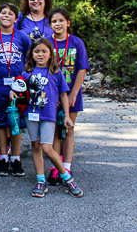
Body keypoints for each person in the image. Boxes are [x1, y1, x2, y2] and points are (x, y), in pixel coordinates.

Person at [21, 38, 84, 198]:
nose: (40, 54)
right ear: (32, 54)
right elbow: (20, 91)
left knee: (48, 148)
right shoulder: (27, 72)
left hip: (49, 116)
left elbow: (63, 94)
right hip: (31, 115)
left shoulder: (56, 72)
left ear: (50, 54)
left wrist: (67, 116)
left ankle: (67, 177)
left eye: (44, 51)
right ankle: (41, 181)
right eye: (37, 51)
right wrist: (14, 93)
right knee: (36, 146)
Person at [0, 3, 32, 177]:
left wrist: (24, 79)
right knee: (0, 122)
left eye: (11, 13)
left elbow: (29, 59)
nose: (6, 15)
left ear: (16, 18)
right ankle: (3, 158)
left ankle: (16, 158)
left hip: (17, 86)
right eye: (3, 13)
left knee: (16, 122)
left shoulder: (22, 37)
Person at [47, 8, 89, 186]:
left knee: (68, 129)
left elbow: (82, 69)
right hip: (52, 94)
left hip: (72, 94)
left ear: (68, 23)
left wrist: (73, 93)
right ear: (50, 25)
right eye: (54, 21)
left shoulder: (77, 43)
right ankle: (56, 168)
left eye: (61, 21)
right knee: (55, 131)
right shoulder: (47, 42)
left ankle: (67, 165)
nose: (58, 24)